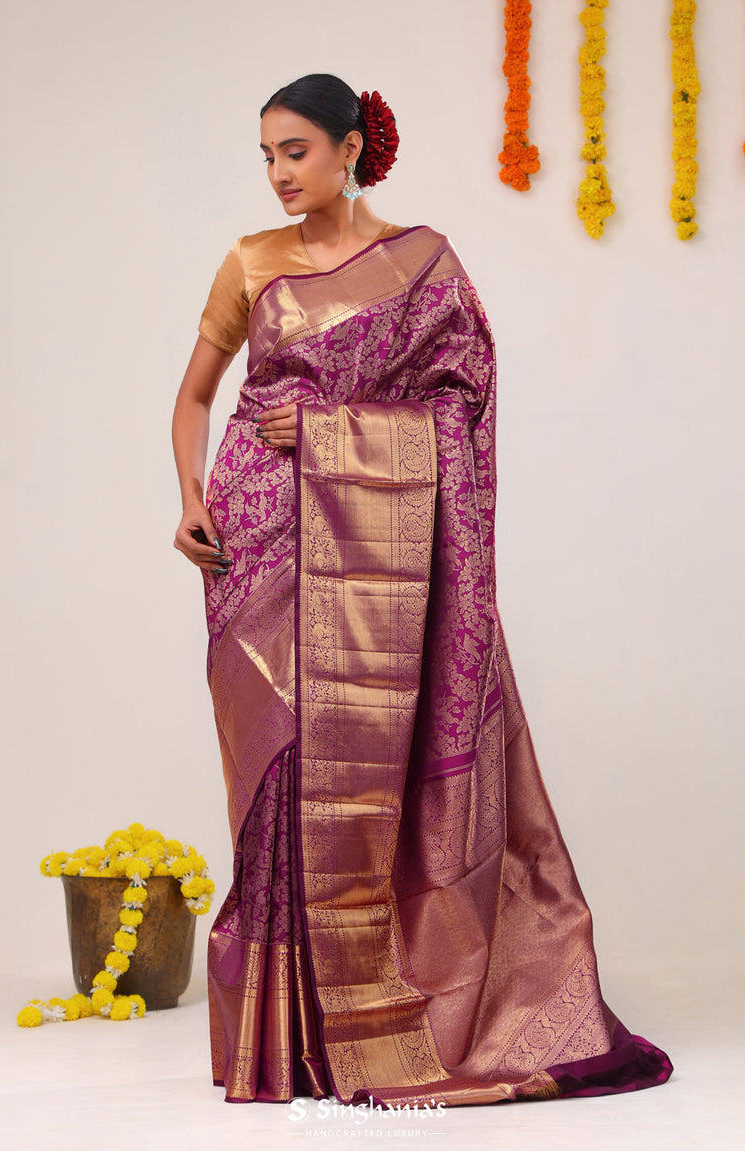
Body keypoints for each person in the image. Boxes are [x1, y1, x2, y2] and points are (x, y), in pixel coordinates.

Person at [171, 73, 672, 1109]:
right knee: (275, 774)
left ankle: (375, 1017)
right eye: (265, 155)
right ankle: (283, 1036)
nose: (277, 174)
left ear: (350, 148)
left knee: (362, 777)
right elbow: (195, 395)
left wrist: (327, 431)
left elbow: (462, 408)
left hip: (375, 568)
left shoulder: (422, 264)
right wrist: (188, 501)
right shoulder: (248, 262)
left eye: (295, 151)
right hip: (258, 548)